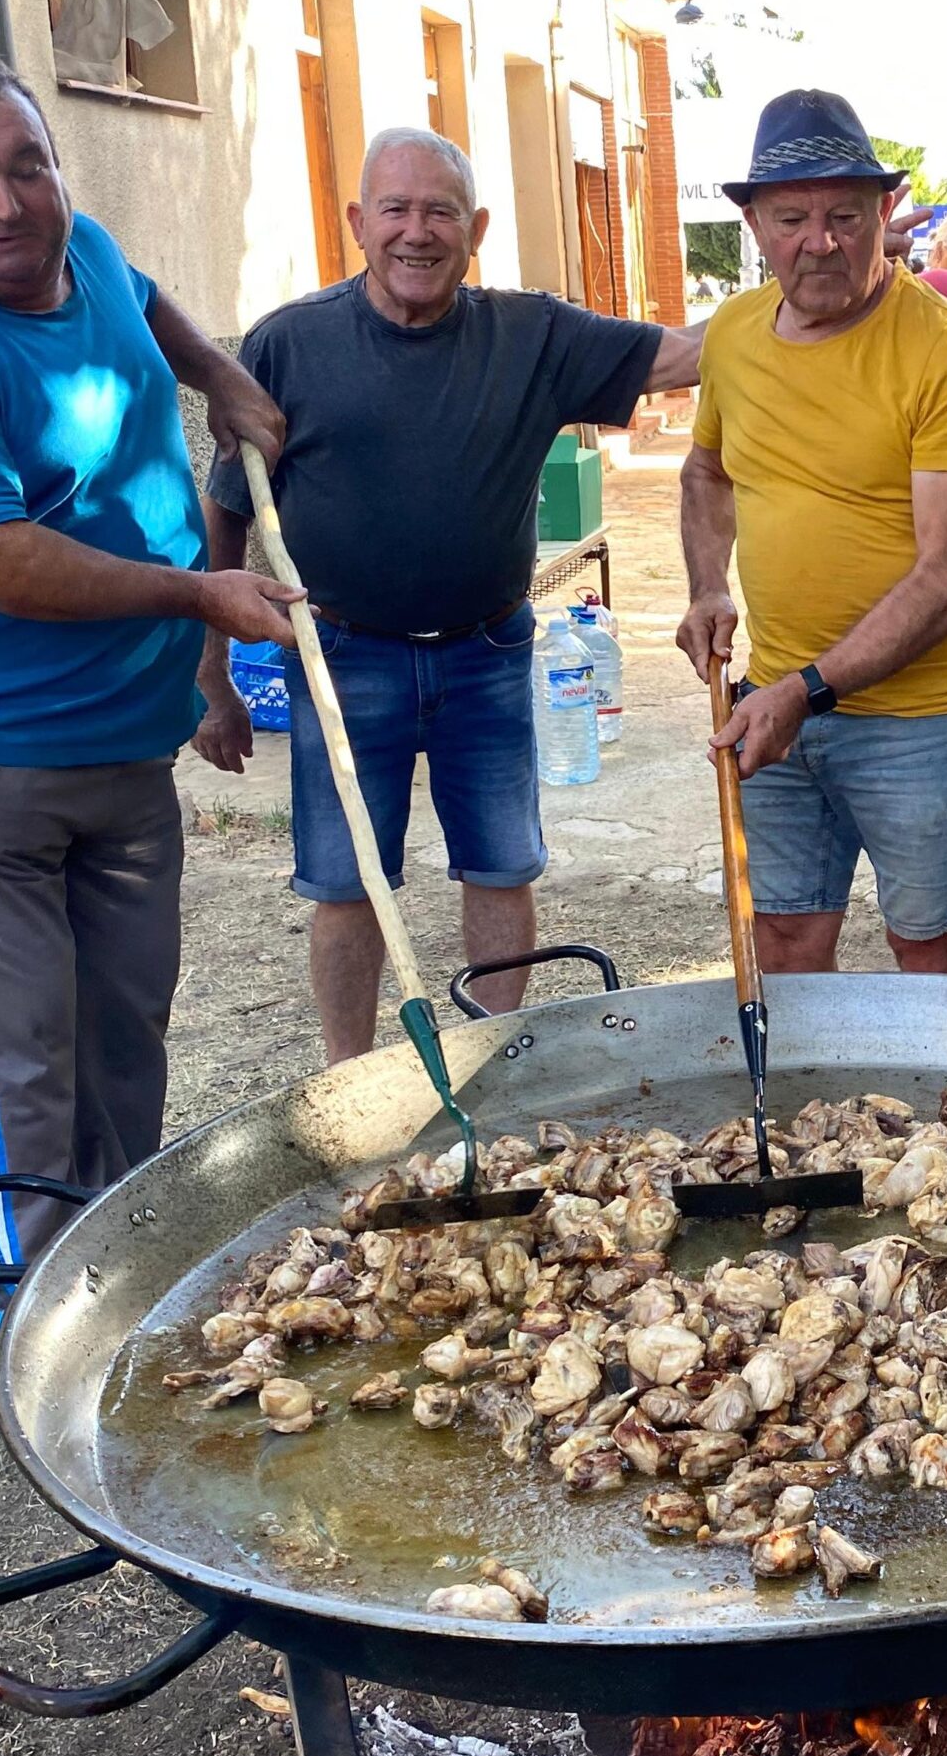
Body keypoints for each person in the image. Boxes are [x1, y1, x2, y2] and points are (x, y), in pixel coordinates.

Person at [0, 48, 299, 1320]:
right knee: (21, 1049)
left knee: (125, 1021)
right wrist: (203, 600)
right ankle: (31, 1315)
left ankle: (117, 1267)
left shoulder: (66, 247)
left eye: (28, 166)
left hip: (117, 740)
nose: (5, 204)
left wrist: (224, 376)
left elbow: (140, 300)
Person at [197, 128, 701, 1062]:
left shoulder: (533, 334)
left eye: (439, 212)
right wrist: (215, 680)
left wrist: (819, 285)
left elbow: (684, 356)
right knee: (347, 884)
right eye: (395, 208)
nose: (416, 233)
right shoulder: (286, 345)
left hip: (489, 652)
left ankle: (495, 1060)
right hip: (343, 655)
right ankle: (348, 1079)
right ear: (358, 222)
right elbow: (225, 517)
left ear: (475, 228)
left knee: (503, 865)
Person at [678, 90, 947, 977]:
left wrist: (807, 691)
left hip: (918, 721)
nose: (819, 241)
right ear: (753, 222)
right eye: (791, 217)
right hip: (772, 700)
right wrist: (708, 583)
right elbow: (707, 474)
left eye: (844, 216)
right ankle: (802, 1116)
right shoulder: (737, 334)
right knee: (784, 938)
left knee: (925, 944)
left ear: (885, 213)